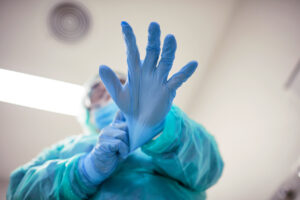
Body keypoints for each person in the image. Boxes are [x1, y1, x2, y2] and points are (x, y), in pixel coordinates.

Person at [7, 22, 224, 200]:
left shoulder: (174, 129)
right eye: (96, 95)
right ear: (88, 115)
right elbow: (18, 193)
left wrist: (162, 133)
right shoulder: (67, 148)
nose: (105, 93)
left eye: (114, 89)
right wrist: (84, 170)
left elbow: (210, 170)